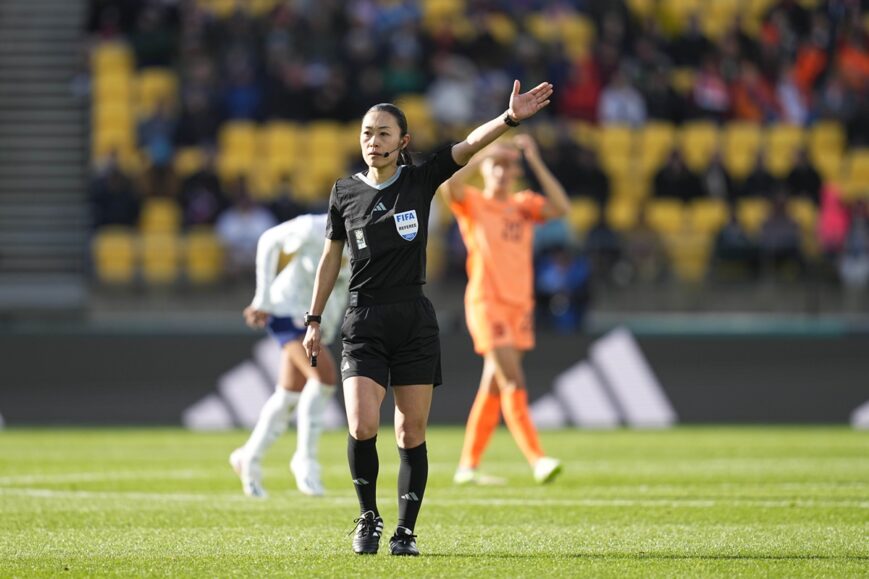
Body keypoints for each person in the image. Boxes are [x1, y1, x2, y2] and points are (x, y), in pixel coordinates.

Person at [302, 80, 554, 557]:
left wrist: (510, 119)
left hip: (413, 319)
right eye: (366, 133)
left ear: (403, 142)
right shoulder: (343, 192)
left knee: (410, 431)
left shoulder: (420, 180)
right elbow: (329, 259)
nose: (372, 142)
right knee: (360, 424)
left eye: (382, 134)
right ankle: (368, 517)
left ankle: (405, 531)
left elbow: (469, 145)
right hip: (363, 318)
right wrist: (314, 319)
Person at [441, 135, 570, 488]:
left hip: (519, 304)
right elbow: (448, 185)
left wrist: (536, 160)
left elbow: (561, 207)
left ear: (515, 173)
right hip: (487, 301)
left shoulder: (522, 205)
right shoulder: (474, 203)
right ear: (485, 170)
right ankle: (538, 459)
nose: (500, 171)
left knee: (495, 385)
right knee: (512, 379)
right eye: (495, 166)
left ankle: (467, 466)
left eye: (506, 166)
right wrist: (482, 152)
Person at [230, 213, 350, 498]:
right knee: (323, 379)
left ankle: (249, 456)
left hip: (311, 321)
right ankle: (305, 460)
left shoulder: (367, 237)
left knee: (289, 394)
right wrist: (264, 298)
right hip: (286, 310)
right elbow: (270, 239)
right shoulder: (315, 226)